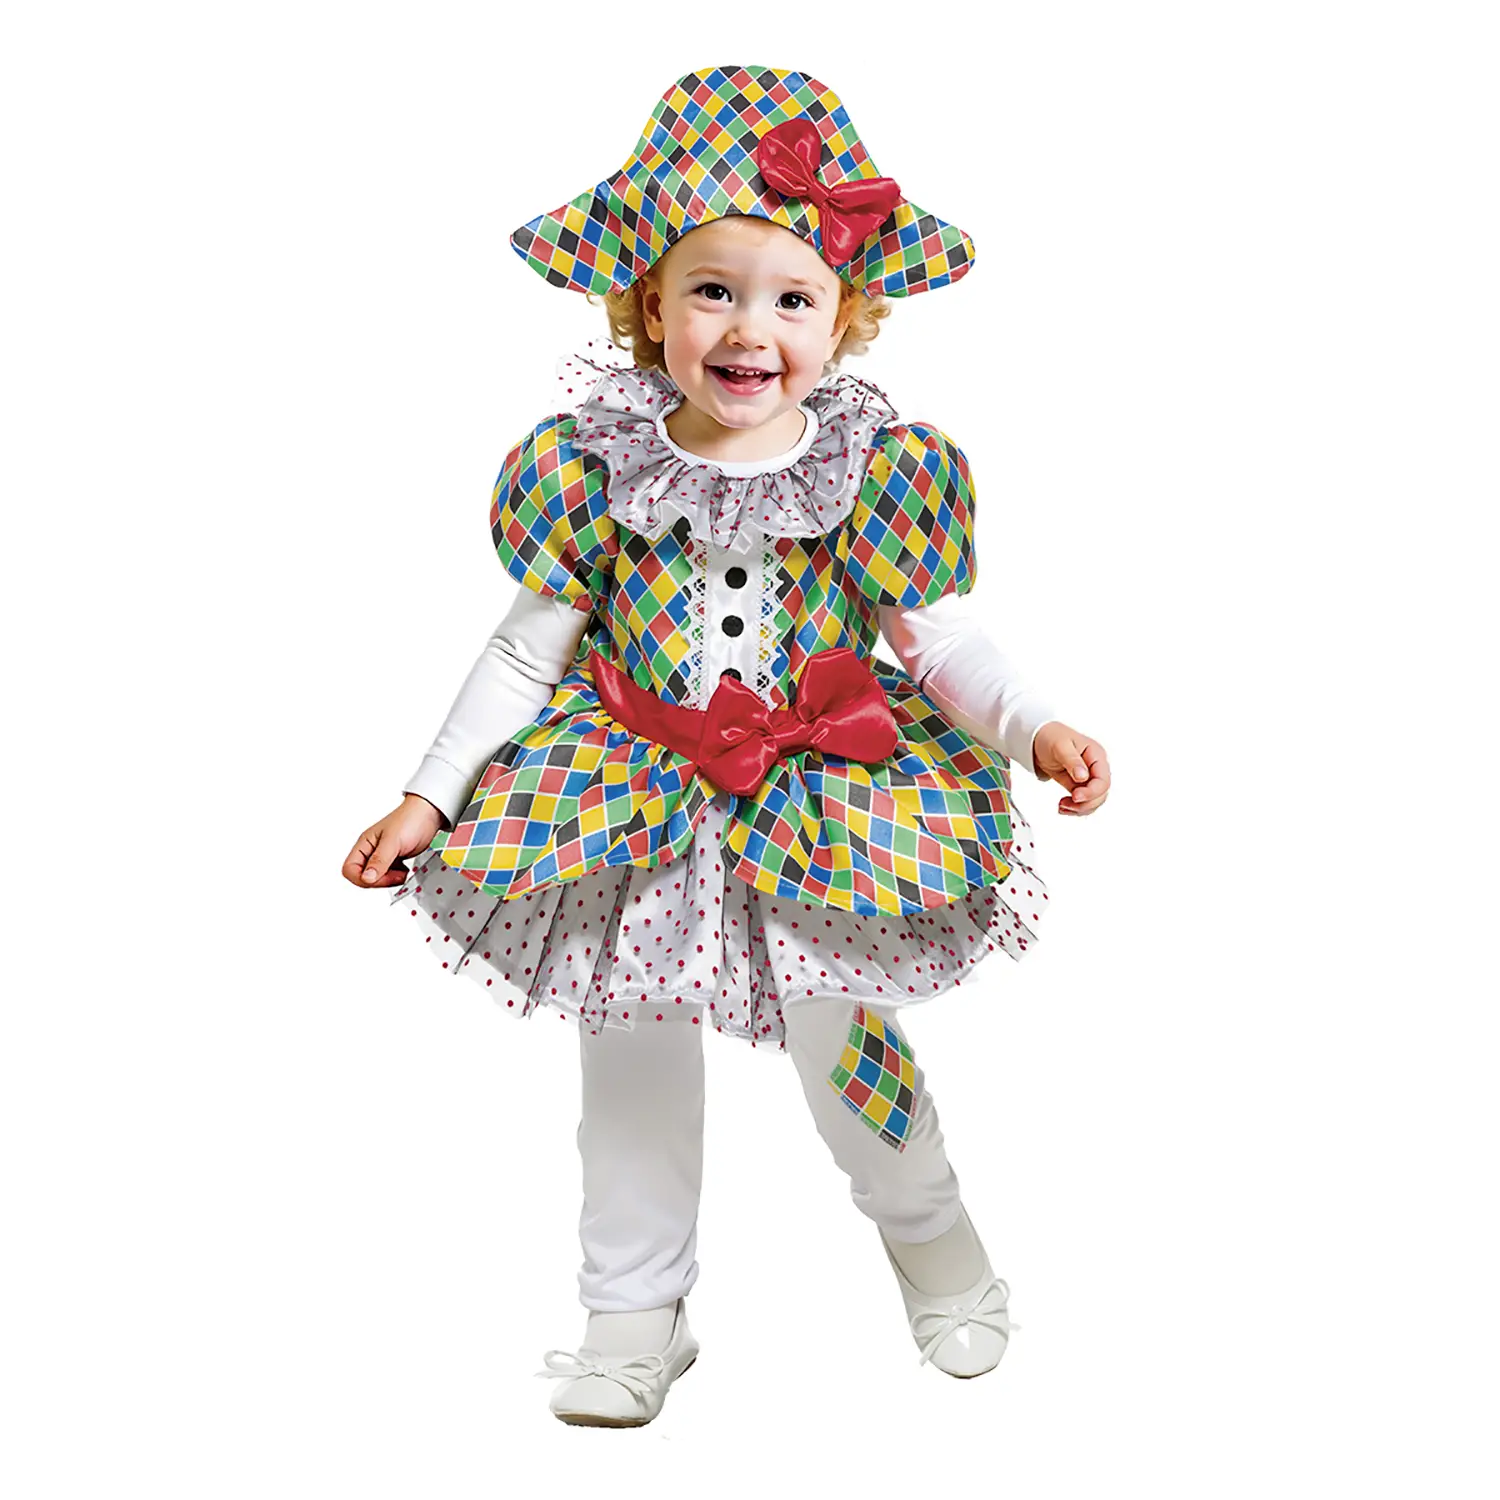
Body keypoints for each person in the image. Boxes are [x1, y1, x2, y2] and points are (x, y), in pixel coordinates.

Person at [342, 64, 1110, 1429]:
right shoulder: (598, 469)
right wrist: (429, 795)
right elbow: (524, 653)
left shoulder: (871, 474)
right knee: (629, 1062)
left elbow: (937, 640)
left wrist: (1033, 722)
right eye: (712, 290)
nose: (751, 329)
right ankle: (633, 1312)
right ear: (649, 305)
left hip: (821, 807)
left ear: (844, 314)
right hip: (632, 803)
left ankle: (937, 1250)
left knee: (849, 1053)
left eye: (791, 298)